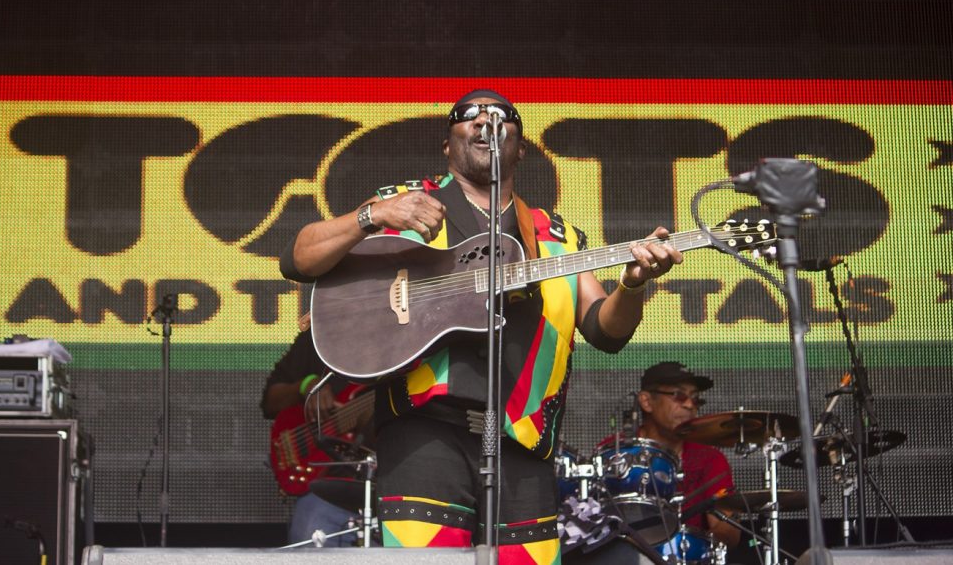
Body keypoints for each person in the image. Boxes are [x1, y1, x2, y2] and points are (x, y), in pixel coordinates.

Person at [280, 90, 682, 562]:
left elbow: (604, 331)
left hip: (523, 438)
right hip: (424, 432)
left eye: (502, 115)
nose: (484, 120)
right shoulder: (407, 205)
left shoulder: (556, 235)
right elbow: (298, 258)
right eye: (468, 114)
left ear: (520, 145)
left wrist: (633, 285)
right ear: (447, 145)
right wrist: (371, 215)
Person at [261, 313, 368, 547]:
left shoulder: (415, 337)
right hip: (329, 489)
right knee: (310, 530)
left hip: (396, 481)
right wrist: (307, 385)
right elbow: (270, 400)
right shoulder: (321, 334)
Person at [632, 361, 741, 549]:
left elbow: (728, 531)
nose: (690, 405)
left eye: (695, 398)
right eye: (679, 395)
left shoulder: (710, 459)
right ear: (647, 401)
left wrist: (693, 544)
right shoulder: (616, 452)